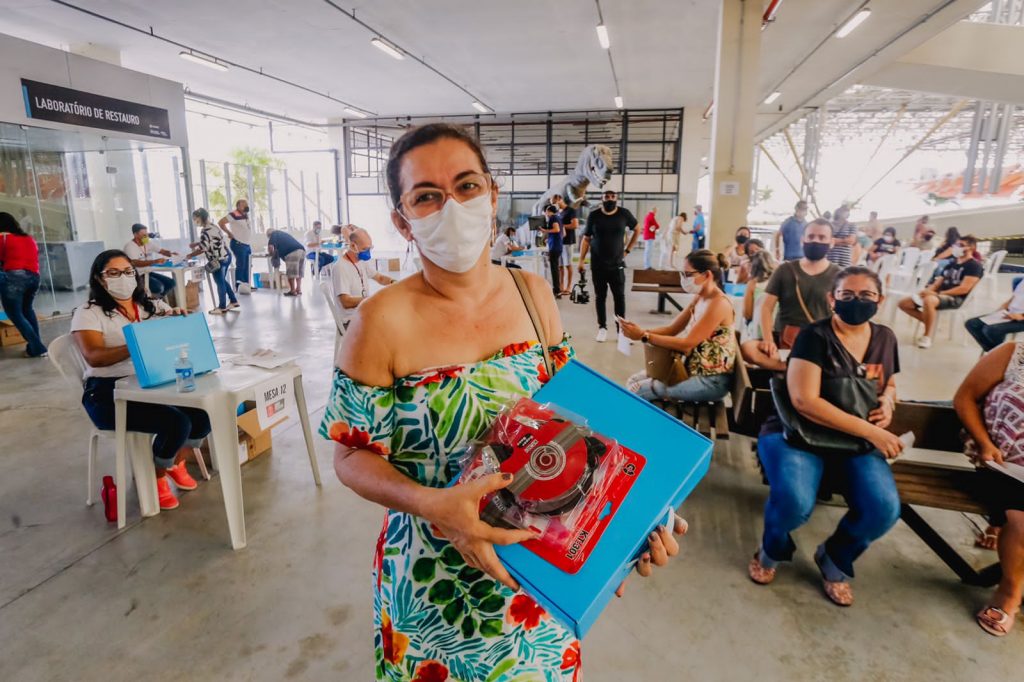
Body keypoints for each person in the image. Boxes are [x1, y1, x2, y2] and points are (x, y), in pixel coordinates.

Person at [320, 123, 685, 681]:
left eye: (466, 186)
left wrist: (631, 520)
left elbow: (575, 429)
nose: (452, 207)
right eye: (427, 196)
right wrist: (429, 503)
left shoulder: (533, 295)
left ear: (492, 194)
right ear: (402, 221)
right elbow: (349, 456)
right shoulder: (379, 322)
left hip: (537, 580)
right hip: (431, 590)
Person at [749, 266, 903, 606]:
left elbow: (888, 380)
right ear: (832, 299)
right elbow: (805, 401)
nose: (856, 302)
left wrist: (889, 400)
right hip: (799, 436)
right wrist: (872, 431)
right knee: (793, 502)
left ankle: (835, 557)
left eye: (866, 295)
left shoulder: (885, 338)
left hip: (855, 443)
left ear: (880, 299)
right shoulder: (814, 337)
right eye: (847, 295)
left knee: (883, 508)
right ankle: (772, 547)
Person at [72, 250, 210, 511]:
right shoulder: (89, 312)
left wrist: (177, 322)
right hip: (106, 394)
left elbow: (174, 341)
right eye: (113, 273)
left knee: (203, 414)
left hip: (151, 381)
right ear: (100, 280)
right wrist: (138, 343)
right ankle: (156, 477)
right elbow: (94, 357)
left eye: (127, 272)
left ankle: (171, 463)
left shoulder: (152, 306)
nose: (122, 278)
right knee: (176, 422)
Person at [954, 341, 1024, 636]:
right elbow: (965, 398)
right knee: (1023, 521)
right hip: (1001, 464)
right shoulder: (1014, 353)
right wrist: (985, 443)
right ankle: (1009, 592)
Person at [621, 250, 736, 402]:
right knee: (633, 381)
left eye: (688, 274)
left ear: (707, 275)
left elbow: (687, 345)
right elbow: (672, 329)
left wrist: (644, 336)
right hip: (689, 370)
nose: (683, 279)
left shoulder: (719, 304)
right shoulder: (700, 298)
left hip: (711, 381)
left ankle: (650, 424)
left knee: (637, 390)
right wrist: (639, 331)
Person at [758, 218, 840, 362]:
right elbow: (766, 307)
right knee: (749, 349)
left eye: (822, 237)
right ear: (803, 239)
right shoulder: (785, 270)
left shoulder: (839, 275)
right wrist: (768, 340)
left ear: (831, 242)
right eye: (811, 236)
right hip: (785, 341)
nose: (816, 241)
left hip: (821, 343)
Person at [897, 234, 984, 349]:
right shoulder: (952, 264)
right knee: (904, 303)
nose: (957, 247)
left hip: (956, 298)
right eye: (957, 244)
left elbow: (964, 289)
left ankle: (927, 336)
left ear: (971, 248)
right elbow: (938, 282)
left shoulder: (974, 266)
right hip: (939, 295)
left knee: (929, 300)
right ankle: (930, 321)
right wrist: (927, 291)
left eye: (961, 245)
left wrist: (936, 294)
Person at [577, 189, 639, 342]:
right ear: (602, 199)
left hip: (617, 264)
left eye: (612, 197)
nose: (610, 199)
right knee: (600, 297)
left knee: (619, 297)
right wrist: (581, 260)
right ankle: (602, 328)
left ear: (616, 199)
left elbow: (637, 229)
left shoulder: (624, 214)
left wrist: (628, 250)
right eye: (606, 197)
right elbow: (586, 239)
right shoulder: (594, 215)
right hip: (598, 264)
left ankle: (621, 332)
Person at [0, 212, 47, 357]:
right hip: (34, 277)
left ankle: (38, 347)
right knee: (27, 310)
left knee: (15, 314)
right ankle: (35, 347)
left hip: (14, 278)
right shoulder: (28, 238)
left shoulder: (3, 238)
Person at [331, 226, 395, 326]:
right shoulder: (340, 267)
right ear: (352, 246)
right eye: (365, 249)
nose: (367, 252)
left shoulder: (362, 262)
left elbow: (379, 278)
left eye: (369, 248)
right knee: (389, 326)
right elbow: (346, 302)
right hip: (350, 320)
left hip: (364, 312)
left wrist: (393, 282)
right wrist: (371, 299)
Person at [187, 208, 238, 315]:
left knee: (219, 282)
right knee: (222, 280)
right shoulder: (213, 226)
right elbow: (213, 240)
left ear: (201, 218)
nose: (195, 221)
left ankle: (222, 307)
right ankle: (233, 301)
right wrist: (196, 244)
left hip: (218, 259)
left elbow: (203, 248)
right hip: (226, 256)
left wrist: (189, 255)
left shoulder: (205, 230)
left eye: (195, 218)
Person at [740, 250, 783, 371]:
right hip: (779, 330)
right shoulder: (780, 283)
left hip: (758, 332)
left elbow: (747, 314)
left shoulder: (753, 284)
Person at [965, 277, 1024, 351]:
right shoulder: (1021, 281)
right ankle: (995, 353)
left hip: (1021, 319)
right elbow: (1016, 296)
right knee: (972, 323)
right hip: (1010, 313)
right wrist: (1004, 306)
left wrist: (1021, 316)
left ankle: (999, 355)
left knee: (991, 330)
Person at [122, 223, 177, 299]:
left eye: (147, 235)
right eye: (144, 235)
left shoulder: (147, 243)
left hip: (148, 272)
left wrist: (171, 253)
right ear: (135, 235)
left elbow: (162, 251)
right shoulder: (129, 246)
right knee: (159, 287)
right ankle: (151, 300)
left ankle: (157, 301)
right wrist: (154, 261)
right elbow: (135, 263)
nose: (146, 237)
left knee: (171, 283)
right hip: (137, 275)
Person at [218, 199, 253, 294]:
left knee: (248, 265)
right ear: (238, 206)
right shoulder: (233, 214)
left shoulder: (245, 215)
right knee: (241, 265)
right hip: (238, 244)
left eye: (246, 204)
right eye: (243, 204)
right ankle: (239, 287)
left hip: (247, 244)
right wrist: (229, 233)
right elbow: (221, 222)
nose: (246, 206)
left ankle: (247, 285)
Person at [266, 228, 306, 297]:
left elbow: (270, 247)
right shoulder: (282, 234)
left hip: (292, 252)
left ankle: (292, 291)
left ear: (269, 235)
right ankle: (298, 289)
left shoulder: (274, 234)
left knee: (291, 272)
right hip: (302, 250)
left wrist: (271, 254)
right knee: (299, 272)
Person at [554, 194, 578, 293]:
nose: (554, 205)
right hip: (559, 242)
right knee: (560, 266)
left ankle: (568, 287)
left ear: (560, 199)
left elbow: (575, 225)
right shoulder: (559, 213)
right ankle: (561, 286)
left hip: (568, 241)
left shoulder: (571, 211)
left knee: (568, 265)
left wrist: (561, 226)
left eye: (555, 203)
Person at [542, 204, 564, 297]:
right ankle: (557, 289)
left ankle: (557, 291)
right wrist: (550, 238)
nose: (546, 213)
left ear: (549, 211)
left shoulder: (553, 218)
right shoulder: (558, 218)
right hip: (558, 246)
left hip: (554, 247)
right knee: (555, 268)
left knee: (554, 269)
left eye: (546, 211)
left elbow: (556, 229)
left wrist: (545, 230)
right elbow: (563, 233)